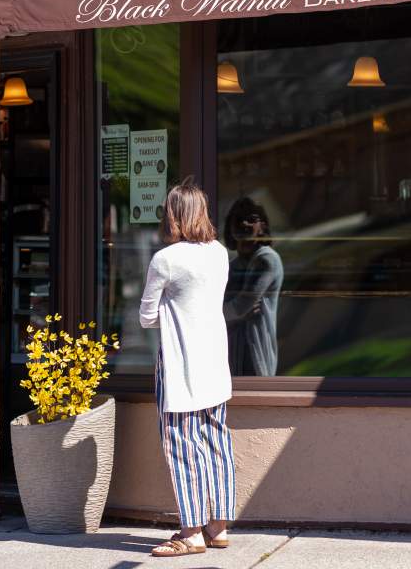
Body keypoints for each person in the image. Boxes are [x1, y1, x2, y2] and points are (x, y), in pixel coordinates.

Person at [139, 179, 236, 557]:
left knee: (181, 445)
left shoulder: (166, 259)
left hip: (180, 363)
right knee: (217, 441)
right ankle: (219, 525)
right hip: (215, 360)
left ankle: (191, 531)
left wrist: (169, 311)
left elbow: (147, 317)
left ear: (173, 215)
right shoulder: (219, 253)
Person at [223, 198, 283, 376]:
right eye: (238, 218)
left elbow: (240, 306)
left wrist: (221, 314)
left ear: (263, 226)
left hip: (255, 353)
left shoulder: (266, 259)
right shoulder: (231, 266)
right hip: (230, 352)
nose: (243, 223)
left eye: (251, 218)